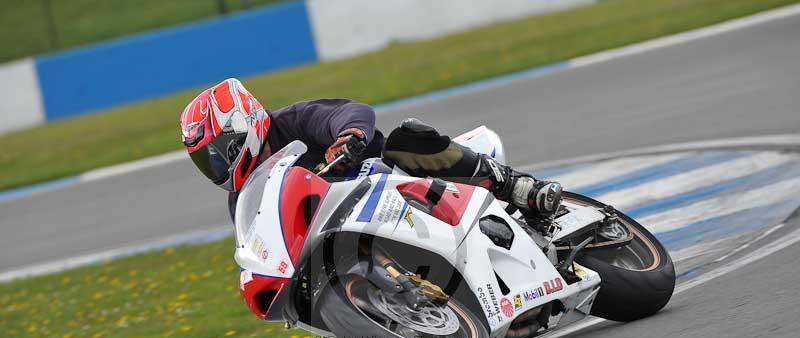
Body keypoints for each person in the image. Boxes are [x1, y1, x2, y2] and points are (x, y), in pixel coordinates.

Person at [180, 78, 562, 223]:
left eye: (215, 151)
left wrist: (348, 139)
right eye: (205, 159)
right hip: (347, 226)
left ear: (241, 126)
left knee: (405, 139)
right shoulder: (241, 199)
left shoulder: (291, 122)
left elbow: (351, 111)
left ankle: (515, 186)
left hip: (389, 177)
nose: (215, 164)